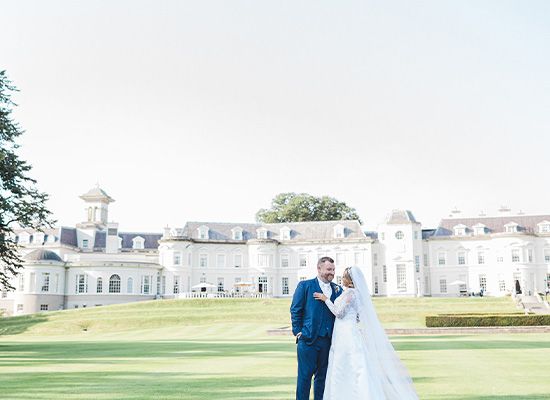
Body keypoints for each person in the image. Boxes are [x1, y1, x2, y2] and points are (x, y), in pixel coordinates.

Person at [313, 266, 419, 400]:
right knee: (344, 362)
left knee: (347, 363)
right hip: (343, 331)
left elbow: (339, 313)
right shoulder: (353, 293)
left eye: (344, 277)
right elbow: (358, 315)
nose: (342, 279)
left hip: (346, 332)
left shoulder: (351, 293)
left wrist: (325, 299)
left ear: (350, 280)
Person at [290, 257, 343, 400]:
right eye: (328, 269)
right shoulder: (305, 286)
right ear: (319, 269)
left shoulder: (338, 289)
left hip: (328, 341)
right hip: (308, 340)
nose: (332, 272)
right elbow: (295, 310)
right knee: (304, 377)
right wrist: (298, 332)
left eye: (333, 269)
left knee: (322, 377)